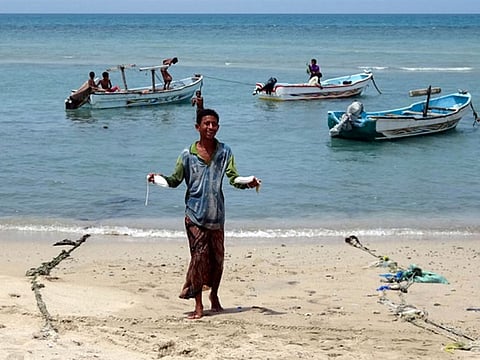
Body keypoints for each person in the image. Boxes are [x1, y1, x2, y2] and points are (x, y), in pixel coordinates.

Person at [147, 108, 260, 320]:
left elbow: (233, 178)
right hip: (194, 216)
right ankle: (198, 305)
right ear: (197, 127)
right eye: (206, 124)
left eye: (214, 124)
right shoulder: (187, 155)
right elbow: (174, 180)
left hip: (217, 216)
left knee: (217, 260)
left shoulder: (225, 152)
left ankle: (214, 296)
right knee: (198, 259)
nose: (210, 127)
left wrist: (248, 182)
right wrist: (157, 178)